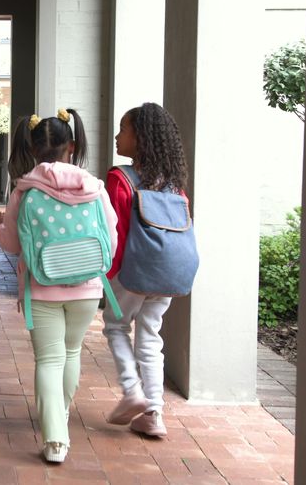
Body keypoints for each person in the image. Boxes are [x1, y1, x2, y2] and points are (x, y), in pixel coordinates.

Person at [0, 109, 117, 463]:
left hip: (42, 287)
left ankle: (55, 441)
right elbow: (111, 236)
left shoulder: (24, 190)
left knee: (48, 359)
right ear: (72, 147)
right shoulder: (95, 188)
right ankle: (59, 416)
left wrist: (1, 227)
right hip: (88, 286)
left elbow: (14, 245)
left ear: (33, 150)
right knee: (72, 352)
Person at [102, 102, 191, 438]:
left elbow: (116, 232)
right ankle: (153, 413)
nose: (117, 135)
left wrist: (108, 273)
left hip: (132, 271)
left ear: (139, 137)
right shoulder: (173, 183)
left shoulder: (120, 178)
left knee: (115, 326)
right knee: (151, 336)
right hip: (169, 271)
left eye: (123, 129)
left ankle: (132, 393)